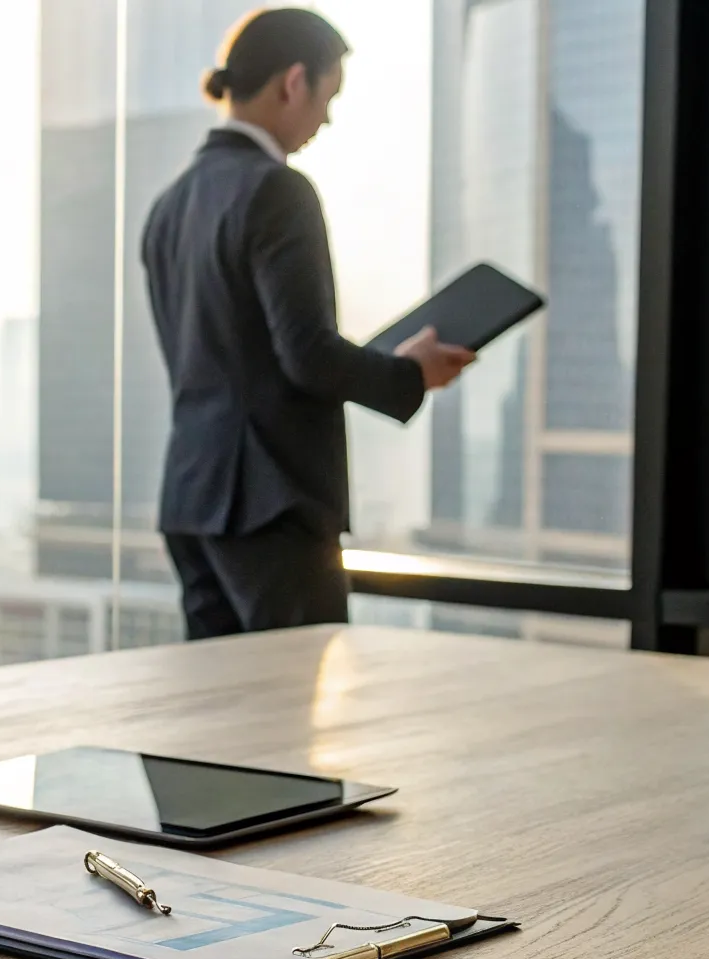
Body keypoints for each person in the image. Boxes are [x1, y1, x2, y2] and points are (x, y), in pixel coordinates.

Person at [142, 7, 475, 640]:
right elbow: (307, 354)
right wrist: (411, 373)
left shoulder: (170, 204)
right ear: (294, 81)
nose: (327, 118)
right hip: (271, 500)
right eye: (329, 96)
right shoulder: (277, 189)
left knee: (208, 716)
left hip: (192, 496)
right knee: (285, 714)